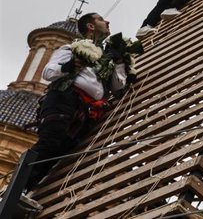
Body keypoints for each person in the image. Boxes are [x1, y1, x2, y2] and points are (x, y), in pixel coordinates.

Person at [25, 13, 128, 192]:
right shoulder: (70, 49)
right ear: (90, 26)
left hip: (87, 111)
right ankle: (19, 188)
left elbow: (118, 86)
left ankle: (29, 190)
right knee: (51, 142)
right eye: (102, 20)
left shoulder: (107, 58)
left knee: (64, 152)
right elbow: (48, 73)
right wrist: (71, 65)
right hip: (65, 99)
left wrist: (119, 62)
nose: (108, 22)